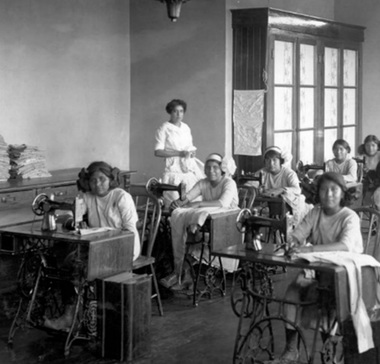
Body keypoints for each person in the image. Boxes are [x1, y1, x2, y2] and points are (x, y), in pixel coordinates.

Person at [43, 161, 140, 330]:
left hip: (124, 247)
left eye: (102, 179)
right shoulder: (87, 197)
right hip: (97, 248)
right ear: (87, 182)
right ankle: (71, 316)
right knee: (68, 263)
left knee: (78, 267)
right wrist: (72, 221)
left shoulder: (121, 197)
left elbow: (131, 230)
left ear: (111, 179)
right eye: (93, 181)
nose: (97, 184)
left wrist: (116, 245)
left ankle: (82, 318)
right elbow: (67, 215)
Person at [280, 172, 363, 361]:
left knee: (329, 306)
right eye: (324, 190)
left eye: (334, 190)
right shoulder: (316, 212)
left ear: (343, 193)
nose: (329, 194)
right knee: (291, 294)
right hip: (319, 272)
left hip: (345, 277)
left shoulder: (349, 217)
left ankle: (330, 352)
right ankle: (291, 349)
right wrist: (293, 241)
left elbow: (345, 246)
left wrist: (310, 249)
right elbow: (299, 233)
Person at [160, 153, 239, 290]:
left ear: (222, 169)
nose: (211, 171)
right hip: (210, 222)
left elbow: (223, 203)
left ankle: (182, 273)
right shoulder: (203, 183)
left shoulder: (229, 183)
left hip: (229, 224)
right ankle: (181, 273)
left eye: (215, 167)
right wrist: (178, 203)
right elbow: (189, 196)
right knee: (183, 221)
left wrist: (198, 204)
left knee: (195, 228)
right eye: (208, 167)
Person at [154, 99, 204, 202]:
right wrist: (179, 153)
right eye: (175, 111)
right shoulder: (164, 128)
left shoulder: (186, 128)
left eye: (181, 111)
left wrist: (191, 152)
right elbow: (158, 152)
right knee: (174, 201)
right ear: (170, 112)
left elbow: (190, 146)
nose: (178, 114)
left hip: (187, 167)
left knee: (192, 199)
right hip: (173, 169)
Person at [258, 146, 310, 228]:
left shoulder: (289, 173)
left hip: (289, 209)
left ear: (280, 161)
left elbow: (297, 190)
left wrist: (281, 190)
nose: (271, 163)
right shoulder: (263, 172)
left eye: (274, 160)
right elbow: (250, 185)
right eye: (268, 160)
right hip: (272, 207)